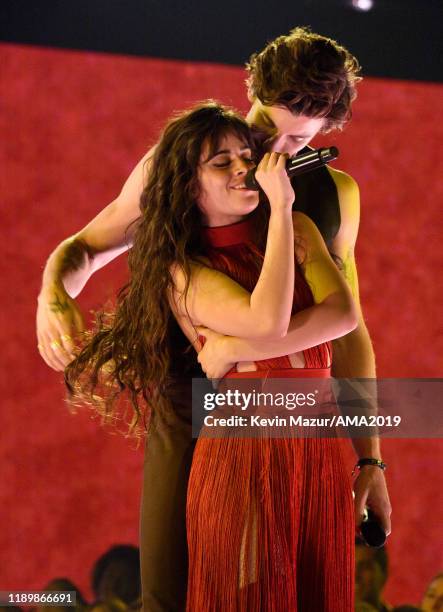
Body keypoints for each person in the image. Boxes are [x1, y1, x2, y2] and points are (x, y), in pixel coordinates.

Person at [37, 25, 391, 608]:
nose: (269, 152)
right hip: (194, 401)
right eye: (262, 128)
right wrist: (52, 290)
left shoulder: (332, 197)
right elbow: (85, 247)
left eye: (295, 139)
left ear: (326, 130)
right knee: (171, 593)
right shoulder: (192, 158)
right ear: (248, 92)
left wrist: (371, 457)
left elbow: (350, 328)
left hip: (294, 413)